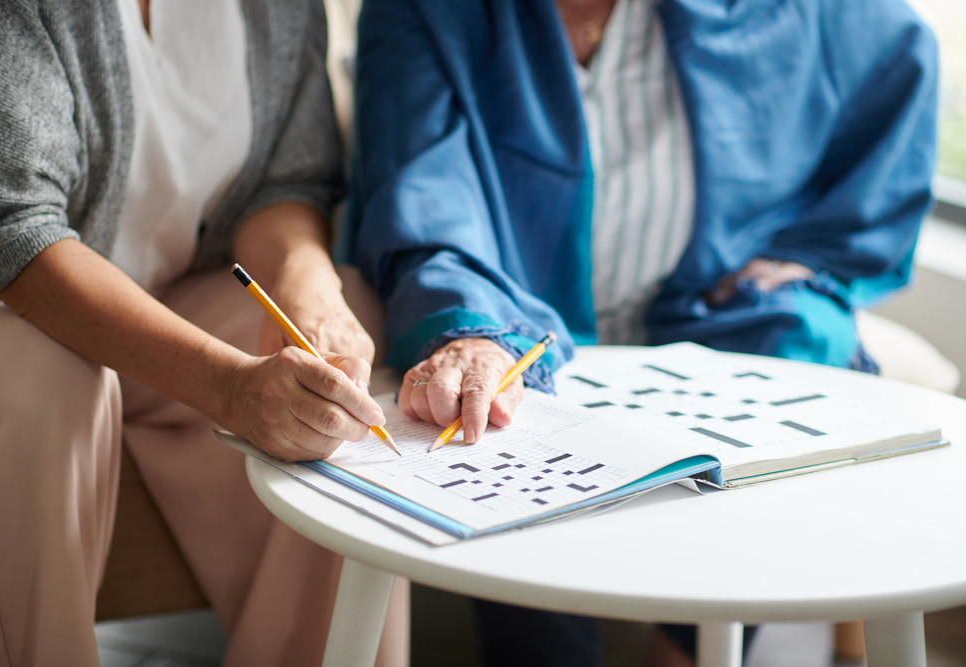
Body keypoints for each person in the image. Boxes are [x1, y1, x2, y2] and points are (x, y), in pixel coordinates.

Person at [341, 0, 938, 664]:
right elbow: (424, 199)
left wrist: (814, 251)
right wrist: (474, 330)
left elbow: (897, 48)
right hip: (517, 316)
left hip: (703, 315)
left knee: (805, 340)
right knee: (487, 408)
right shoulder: (423, 11)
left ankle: (686, 651)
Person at [0, 0, 409, 665]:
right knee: (47, 375)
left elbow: (283, 183)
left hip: (164, 294)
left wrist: (308, 283)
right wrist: (228, 388)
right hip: (1, 312)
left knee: (344, 335)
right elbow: (14, 235)